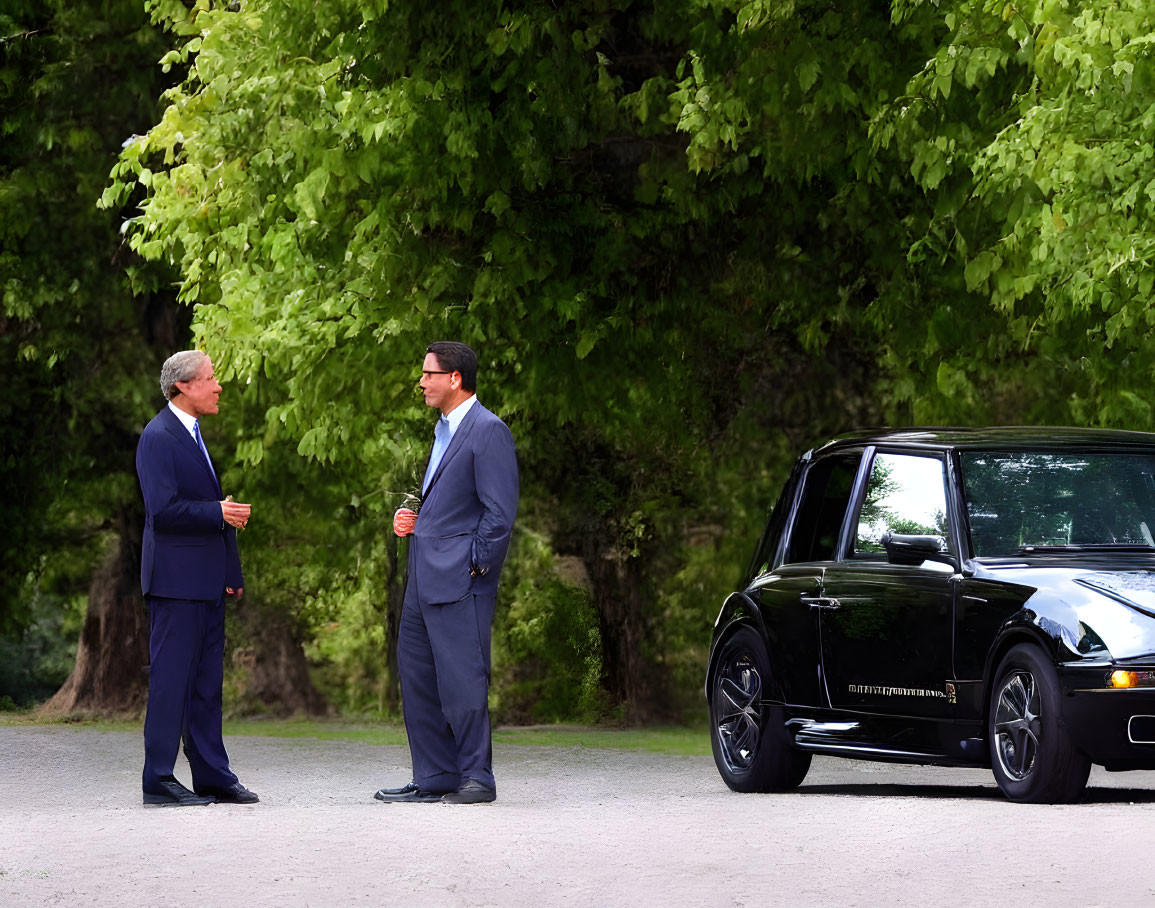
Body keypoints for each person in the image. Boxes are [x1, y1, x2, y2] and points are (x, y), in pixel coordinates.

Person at [375, 341, 519, 805]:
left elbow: (499, 513)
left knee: (463, 679)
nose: (421, 381)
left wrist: (475, 564)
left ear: (454, 378)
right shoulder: (443, 431)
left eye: (428, 373)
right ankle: (436, 776)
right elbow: (453, 505)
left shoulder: (488, 430)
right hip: (422, 578)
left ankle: (478, 779)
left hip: (462, 579)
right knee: (417, 678)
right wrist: (413, 521)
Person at [136, 350, 258, 807]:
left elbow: (209, 512)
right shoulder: (158, 436)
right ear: (183, 387)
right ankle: (158, 779)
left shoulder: (192, 434)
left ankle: (212, 775)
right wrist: (217, 511)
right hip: (174, 584)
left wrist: (231, 572)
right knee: (172, 682)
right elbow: (162, 511)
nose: (218, 385)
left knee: (207, 685)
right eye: (210, 378)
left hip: (207, 583)